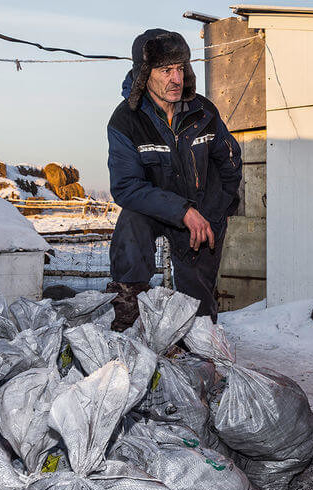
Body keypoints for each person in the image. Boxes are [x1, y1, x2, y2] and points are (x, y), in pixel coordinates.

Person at [105, 29, 242, 330]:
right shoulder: (126, 121)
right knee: (131, 222)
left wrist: (215, 214)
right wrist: (181, 211)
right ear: (144, 74)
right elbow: (126, 186)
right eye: (166, 70)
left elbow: (230, 163)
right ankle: (130, 311)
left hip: (202, 212)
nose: (176, 78)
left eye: (180, 68)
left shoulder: (203, 112)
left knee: (198, 314)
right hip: (157, 209)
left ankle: (200, 353)